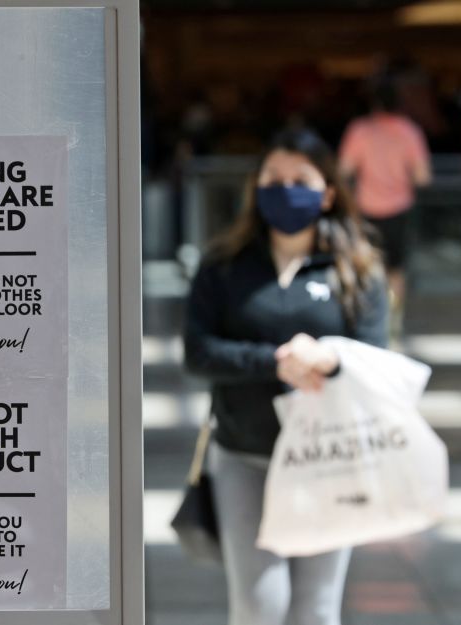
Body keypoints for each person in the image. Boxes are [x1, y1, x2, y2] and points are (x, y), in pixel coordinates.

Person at [184, 129, 388, 625]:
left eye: (301, 178)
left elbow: (374, 358)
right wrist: (274, 362)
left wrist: (326, 359)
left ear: (328, 192)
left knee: (316, 611)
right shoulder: (224, 265)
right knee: (259, 605)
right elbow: (199, 352)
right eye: (274, 178)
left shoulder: (355, 271)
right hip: (243, 456)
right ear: (256, 189)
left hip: (327, 457)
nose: (286, 188)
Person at [338, 81, 430, 338]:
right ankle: (392, 320)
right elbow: (423, 177)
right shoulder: (409, 132)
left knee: (365, 265)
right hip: (399, 208)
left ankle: (367, 317)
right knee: (396, 270)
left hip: (365, 207)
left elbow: (343, 170)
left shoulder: (359, 130)